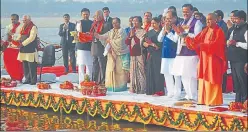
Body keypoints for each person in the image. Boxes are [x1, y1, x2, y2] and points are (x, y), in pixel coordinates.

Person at [184, 13, 227, 106]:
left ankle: (213, 101)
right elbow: (196, 41)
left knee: (212, 77)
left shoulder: (219, 31)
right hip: (204, 58)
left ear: (216, 20)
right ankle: (203, 100)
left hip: (213, 59)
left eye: (210, 19)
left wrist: (202, 45)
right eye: (207, 19)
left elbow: (217, 45)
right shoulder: (205, 30)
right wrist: (185, 36)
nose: (208, 21)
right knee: (203, 77)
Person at [171, 4, 203, 101]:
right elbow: (177, 38)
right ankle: (188, 95)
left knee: (190, 75)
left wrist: (185, 33)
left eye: (187, 11)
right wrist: (177, 32)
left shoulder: (197, 22)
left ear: (192, 11)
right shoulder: (182, 22)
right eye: (183, 11)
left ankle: (193, 96)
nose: (185, 13)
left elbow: (197, 37)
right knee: (183, 74)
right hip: (181, 51)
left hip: (191, 52)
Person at [95, 17, 130, 92]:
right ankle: (110, 86)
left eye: (116, 22)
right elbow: (103, 37)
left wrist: (110, 41)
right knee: (110, 69)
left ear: (119, 23)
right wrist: (96, 35)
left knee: (119, 71)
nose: (114, 24)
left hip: (120, 54)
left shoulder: (122, 31)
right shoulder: (111, 31)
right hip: (111, 54)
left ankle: (120, 87)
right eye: (113, 23)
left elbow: (121, 42)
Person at [158, 11, 182, 99]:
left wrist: (168, 32)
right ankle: (170, 92)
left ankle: (177, 93)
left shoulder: (177, 27)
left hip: (174, 54)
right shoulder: (165, 27)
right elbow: (159, 39)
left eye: (170, 18)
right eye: (166, 18)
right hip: (165, 54)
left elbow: (175, 39)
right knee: (166, 73)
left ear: (175, 18)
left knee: (176, 74)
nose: (168, 20)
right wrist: (164, 31)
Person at [227, 10, 247, 103]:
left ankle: (245, 102)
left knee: (243, 81)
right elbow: (229, 39)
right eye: (234, 18)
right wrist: (228, 42)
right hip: (233, 58)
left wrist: (237, 43)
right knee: (236, 82)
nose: (234, 20)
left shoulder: (246, 29)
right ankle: (237, 102)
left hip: (242, 59)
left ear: (242, 19)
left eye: (236, 19)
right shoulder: (234, 28)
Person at [143, 17, 165, 95]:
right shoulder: (149, 32)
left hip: (158, 54)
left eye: (154, 23)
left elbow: (160, 45)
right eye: (152, 23)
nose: (152, 25)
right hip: (150, 54)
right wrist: (145, 44)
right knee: (150, 72)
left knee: (158, 73)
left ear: (159, 23)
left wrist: (152, 44)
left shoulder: (162, 32)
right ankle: (150, 90)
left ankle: (159, 90)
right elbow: (143, 42)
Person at [125, 16, 146, 94]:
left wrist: (134, 36)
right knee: (133, 71)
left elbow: (140, 43)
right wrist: (130, 36)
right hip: (132, 54)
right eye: (133, 21)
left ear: (140, 22)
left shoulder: (143, 31)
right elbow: (127, 42)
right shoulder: (131, 31)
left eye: (136, 21)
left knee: (141, 71)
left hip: (140, 53)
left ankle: (142, 88)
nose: (134, 23)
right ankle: (133, 88)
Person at [91, 10, 112, 84]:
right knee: (94, 64)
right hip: (94, 46)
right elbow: (92, 34)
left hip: (102, 47)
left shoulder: (106, 24)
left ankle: (103, 82)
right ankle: (94, 81)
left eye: (99, 15)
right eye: (96, 15)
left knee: (102, 65)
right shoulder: (93, 24)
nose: (97, 17)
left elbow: (107, 36)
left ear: (102, 15)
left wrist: (98, 34)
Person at [16, 15, 38, 85]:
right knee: (25, 65)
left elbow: (31, 38)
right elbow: (20, 35)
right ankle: (27, 79)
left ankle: (33, 80)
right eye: (23, 20)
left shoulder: (33, 27)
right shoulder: (23, 27)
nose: (23, 22)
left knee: (31, 65)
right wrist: (17, 40)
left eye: (25, 20)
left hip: (30, 49)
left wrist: (22, 44)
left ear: (29, 20)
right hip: (23, 49)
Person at [2, 14, 24, 83]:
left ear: (18, 19)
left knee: (18, 64)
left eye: (14, 19)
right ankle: (12, 76)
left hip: (18, 47)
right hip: (9, 47)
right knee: (7, 61)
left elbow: (22, 37)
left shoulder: (22, 27)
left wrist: (13, 35)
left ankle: (18, 78)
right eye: (12, 19)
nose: (13, 21)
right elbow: (5, 37)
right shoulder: (8, 26)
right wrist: (3, 42)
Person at [75, 8, 93, 83]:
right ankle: (81, 82)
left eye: (87, 14)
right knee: (81, 65)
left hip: (89, 47)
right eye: (84, 14)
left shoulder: (92, 23)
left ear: (89, 14)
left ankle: (89, 81)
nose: (85, 15)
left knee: (89, 65)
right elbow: (75, 35)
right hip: (81, 47)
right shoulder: (79, 23)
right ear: (81, 15)